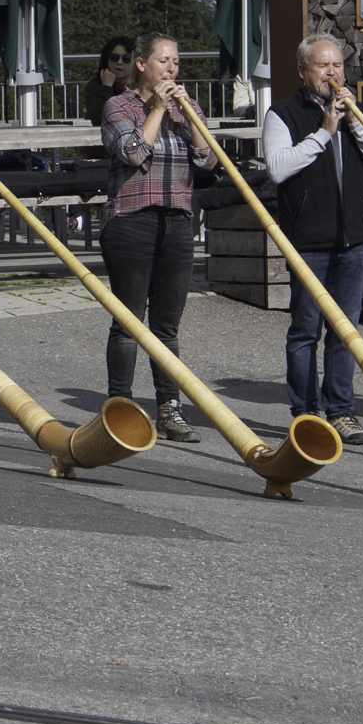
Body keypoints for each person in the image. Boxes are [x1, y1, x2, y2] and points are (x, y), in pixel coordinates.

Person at [261, 34, 363, 447]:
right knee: (305, 330)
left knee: (345, 331)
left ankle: (341, 411)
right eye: (322, 66)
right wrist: (324, 131)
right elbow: (278, 168)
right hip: (308, 242)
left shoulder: (356, 113)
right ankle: (305, 413)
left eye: (337, 65)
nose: (331, 73)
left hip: (353, 243)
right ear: (303, 71)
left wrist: (352, 122)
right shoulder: (282, 113)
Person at [99, 32, 215, 442]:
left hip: (177, 219)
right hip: (131, 220)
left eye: (176, 62)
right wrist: (159, 109)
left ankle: (169, 408)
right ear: (142, 64)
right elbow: (133, 152)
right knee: (129, 321)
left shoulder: (187, 107)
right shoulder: (120, 106)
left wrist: (188, 114)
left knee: (167, 326)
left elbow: (208, 159)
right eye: (164, 61)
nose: (172, 69)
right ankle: (120, 407)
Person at [83, 35, 134, 127]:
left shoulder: (140, 84)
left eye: (126, 58)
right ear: (106, 60)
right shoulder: (94, 86)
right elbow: (98, 120)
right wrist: (106, 87)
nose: (119, 62)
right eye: (114, 57)